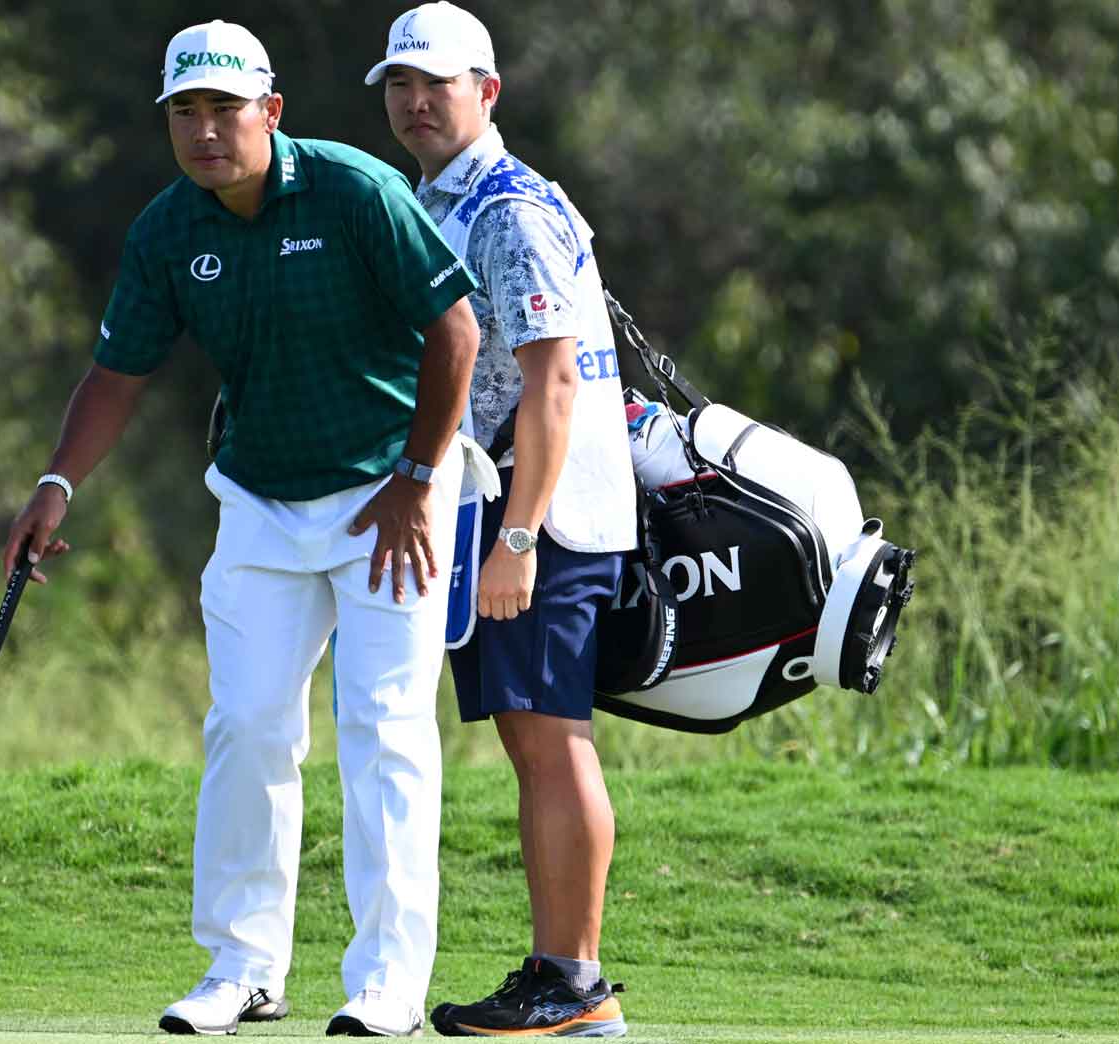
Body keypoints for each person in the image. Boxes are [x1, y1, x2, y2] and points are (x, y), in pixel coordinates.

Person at [2, 19, 484, 1038]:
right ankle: (242, 967)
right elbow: (118, 371)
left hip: (388, 499)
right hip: (260, 501)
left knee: (383, 730)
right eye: (186, 110)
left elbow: (455, 329)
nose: (205, 130)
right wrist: (56, 484)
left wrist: (415, 472)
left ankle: (386, 982)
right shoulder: (167, 231)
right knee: (248, 727)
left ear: (269, 111)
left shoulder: (355, 191)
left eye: (225, 109)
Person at [365, 3, 638, 1037]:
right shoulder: (449, 197)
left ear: (486, 91)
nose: (413, 102)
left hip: (541, 515)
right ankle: (565, 978)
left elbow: (554, 382)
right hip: (508, 503)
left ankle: (572, 983)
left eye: (435, 84)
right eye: (398, 84)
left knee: (548, 737)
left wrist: (518, 538)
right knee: (535, 737)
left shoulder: (504, 207)